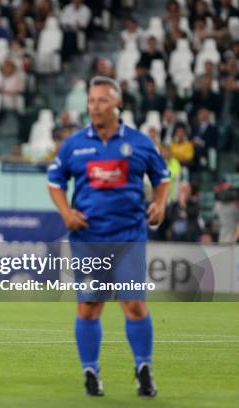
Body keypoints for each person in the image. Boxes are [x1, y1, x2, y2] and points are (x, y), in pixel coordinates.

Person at [48, 76, 170, 398]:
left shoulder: (140, 142)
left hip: (129, 236)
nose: (95, 106)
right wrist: (66, 213)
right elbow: (55, 182)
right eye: (91, 101)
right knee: (89, 307)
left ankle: (144, 368)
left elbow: (163, 176)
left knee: (134, 305)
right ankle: (91, 372)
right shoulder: (74, 144)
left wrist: (160, 203)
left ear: (117, 104)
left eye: (102, 100)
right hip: (89, 238)